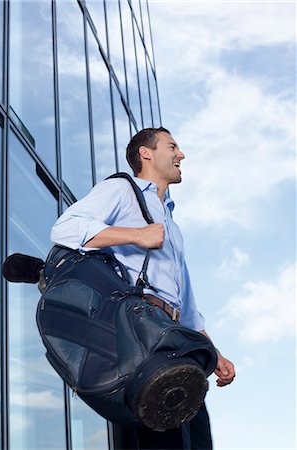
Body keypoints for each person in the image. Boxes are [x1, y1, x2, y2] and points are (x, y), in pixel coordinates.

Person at [50, 127, 236, 449]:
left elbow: (186, 303)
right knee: (162, 440)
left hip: (176, 339)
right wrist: (136, 235)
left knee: (198, 441)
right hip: (141, 336)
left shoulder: (171, 223)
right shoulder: (123, 190)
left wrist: (213, 350)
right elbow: (65, 228)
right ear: (145, 153)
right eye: (173, 146)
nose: (181, 155)